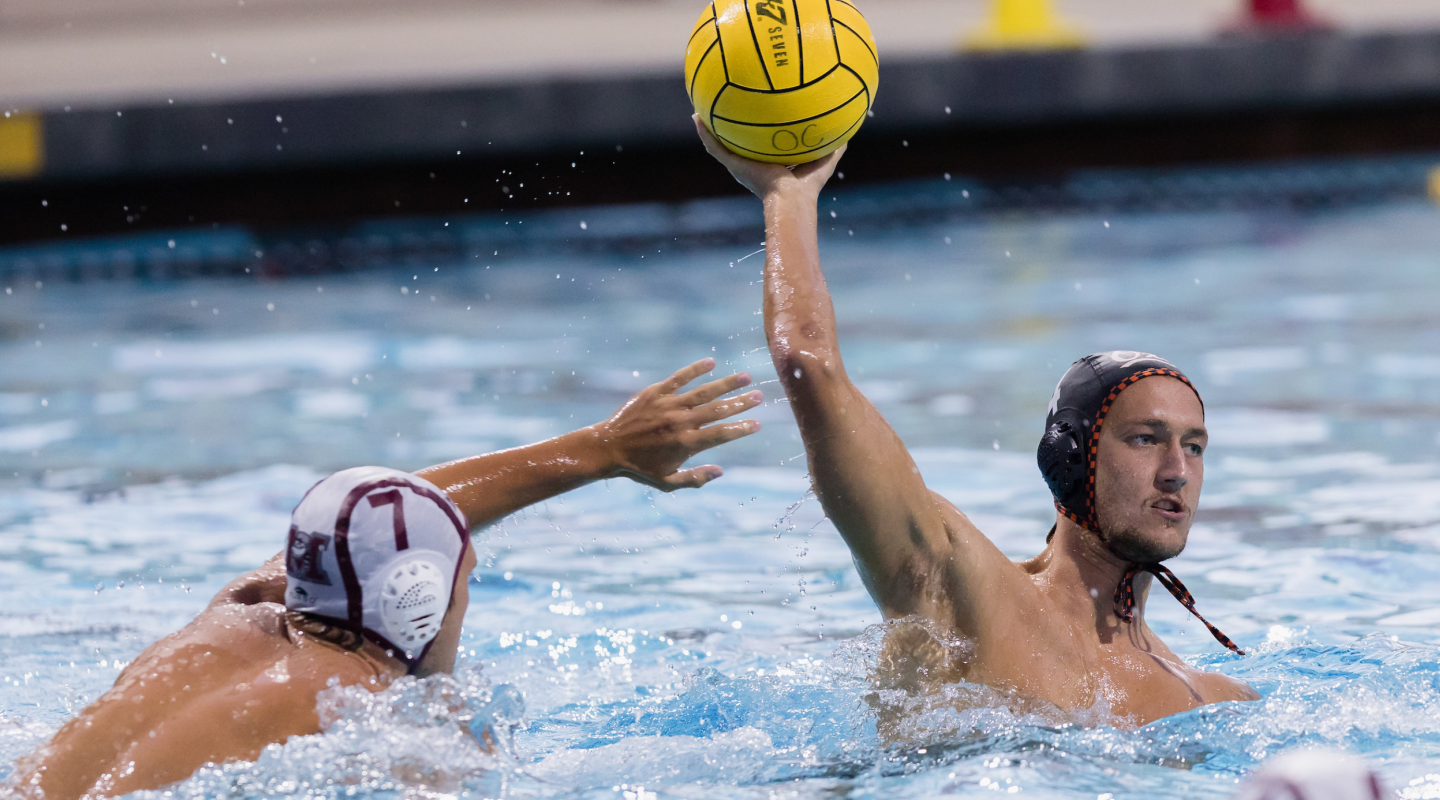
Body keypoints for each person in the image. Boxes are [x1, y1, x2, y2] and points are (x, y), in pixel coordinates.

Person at [695, 118, 1258, 726]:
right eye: (1146, 439)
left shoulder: (1215, 700)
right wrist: (788, 195)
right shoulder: (956, 589)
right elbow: (808, 364)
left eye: (1194, 447)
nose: (1176, 472)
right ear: (1072, 458)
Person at [10, 358, 761, 799]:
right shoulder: (381, 723)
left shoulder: (236, 613)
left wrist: (601, 449)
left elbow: (358, 523)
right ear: (420, 599)